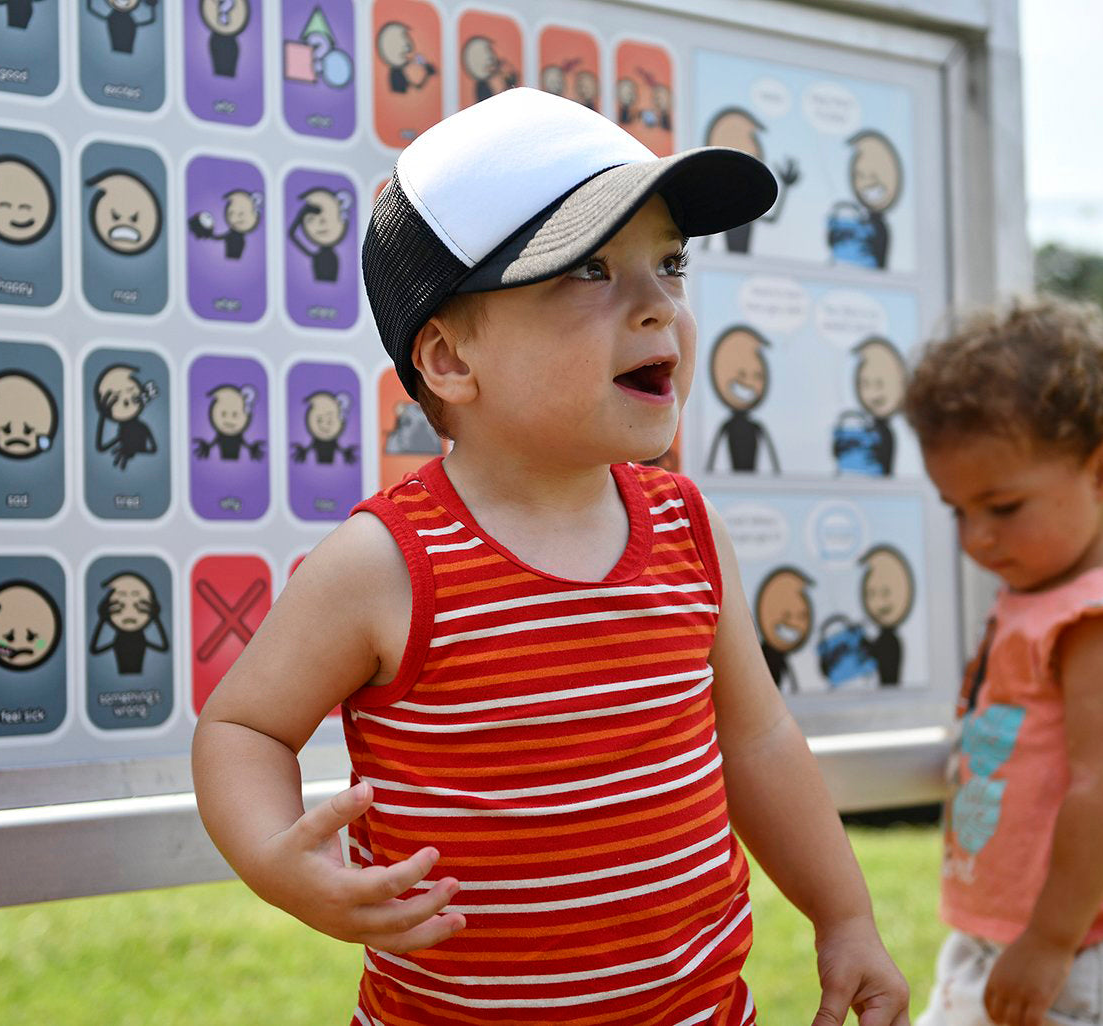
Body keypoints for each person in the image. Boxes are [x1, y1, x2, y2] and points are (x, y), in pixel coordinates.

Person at [192, 87, 910, 1026]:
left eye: (669, 263)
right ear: (450, 359)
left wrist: (843, 915)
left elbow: (758, 739)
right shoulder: (386, 564)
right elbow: (243, 729)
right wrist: (281, 864)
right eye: (591, 271)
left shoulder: (688, 528)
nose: (658, 307)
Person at [902, 296, 1103, 1026]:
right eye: (957, 510)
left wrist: (1048, 941)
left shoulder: (1101, 617)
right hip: (1014, 937)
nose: (976, 537)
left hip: (1078, 954)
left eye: (1002, 507)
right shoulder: (1037, 595)